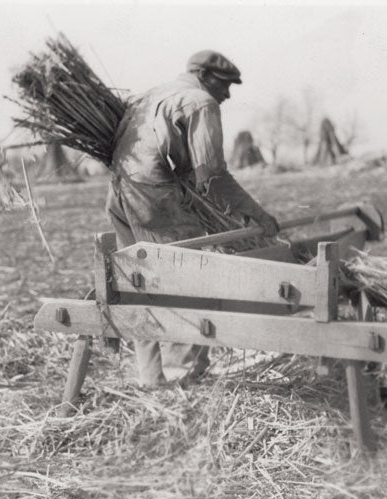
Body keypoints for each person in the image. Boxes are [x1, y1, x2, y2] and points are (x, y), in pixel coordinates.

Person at [106, 50, 280, 386]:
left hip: (118, 194)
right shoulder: (201, 102)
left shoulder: (151, 94)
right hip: (153, 198)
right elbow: (212, 177)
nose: (228, 95)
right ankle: (183, 383)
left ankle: (152, 379)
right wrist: (259, 216)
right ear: (205, 75)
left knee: (139, 283)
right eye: (226, 85)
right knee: (185, 281)